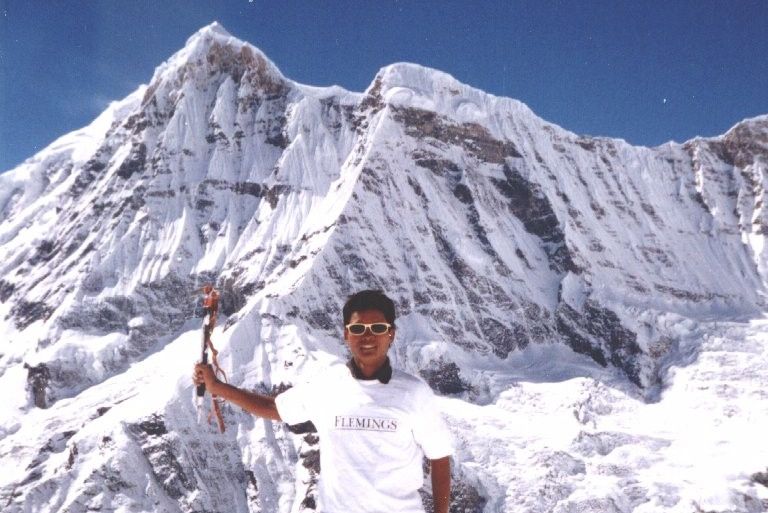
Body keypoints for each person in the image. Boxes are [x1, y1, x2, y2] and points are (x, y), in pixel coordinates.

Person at [194, 289, 452, 513]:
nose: (368, 336)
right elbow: (274, 408)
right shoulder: (327, 385)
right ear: (346, 334)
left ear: (391, 334)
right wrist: (217, 387)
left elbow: (440, 457)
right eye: (358, 329)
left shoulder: (415, 393)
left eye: (378, 328)